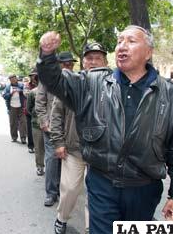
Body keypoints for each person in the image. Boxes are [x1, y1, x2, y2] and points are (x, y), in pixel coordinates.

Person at [37, 28, 173, 233]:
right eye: (119, 41)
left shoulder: (170, 95)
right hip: (103, 183)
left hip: (144, 188)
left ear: (148, 53)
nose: (122, 46)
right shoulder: (92, 83)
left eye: (131, 41)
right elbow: (55, 82)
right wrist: (47, 55)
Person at [51, 43, 108, 234]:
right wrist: (58, 142)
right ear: (83, 62)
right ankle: (62, 218)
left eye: (97, 58)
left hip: (102, 153)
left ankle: (92, 227)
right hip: (75, 149)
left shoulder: (113, 84)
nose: (93, 62)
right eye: (89, 58)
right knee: (70, 189)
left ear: (105, 62)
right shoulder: (71, 83)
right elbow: (56, 114)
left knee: (97, 194)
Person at [36, 51, 77, 207]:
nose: (68, 66)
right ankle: (51, 193)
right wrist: (44, 121)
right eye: (65, 63)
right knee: (53, 159)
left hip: (70, 128)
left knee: (67, 158)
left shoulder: (75, 79)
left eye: (71, 64)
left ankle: (63, 189)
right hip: (52, 128)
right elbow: (40, 103)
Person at [26, 81, 45, 177]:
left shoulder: (54, 91)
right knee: (38, 147)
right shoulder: (33, 92)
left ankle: (50, 168)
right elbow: (28, 108)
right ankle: (40, 166)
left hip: (52, 125)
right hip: (37, 124)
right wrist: (35, 116)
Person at [2, 74, 27, 143]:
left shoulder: (21, 85)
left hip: (21, 107)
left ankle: (23, 138)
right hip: (12, 107)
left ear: (16, 79)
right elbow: (4, 96)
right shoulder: (7, 87)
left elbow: (26, 94)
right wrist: (10, 93)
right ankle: (14, 137)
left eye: (14, 78)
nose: (13, 80)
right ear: (10, 80)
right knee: (13, 123)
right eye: (11, 79)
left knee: (23, 122)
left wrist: (20, 91)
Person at [23, 68, 38, 154]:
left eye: (36, 75)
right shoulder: (27, 85)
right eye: (33, 75)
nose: (34, 77)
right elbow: (26, 94)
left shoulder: (42, 85)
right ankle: (31, 146)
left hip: (40, 112)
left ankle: (38, 146)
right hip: (29, 111)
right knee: (30, 129)